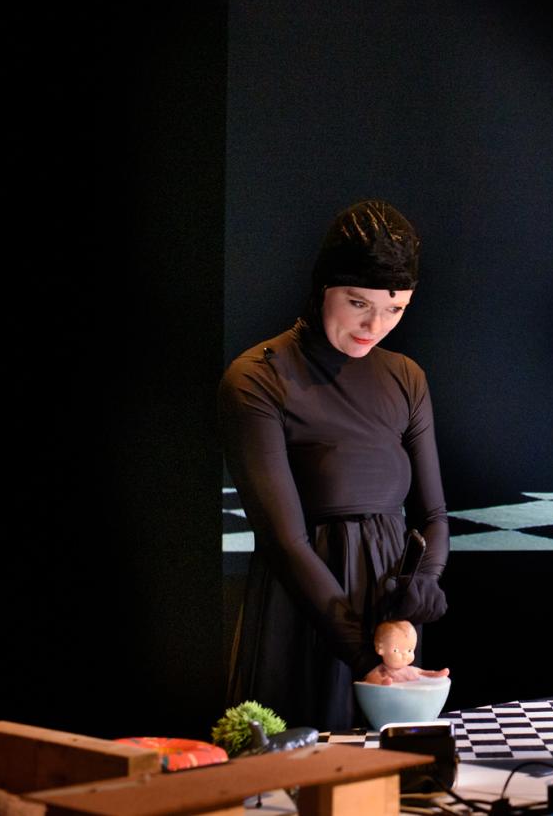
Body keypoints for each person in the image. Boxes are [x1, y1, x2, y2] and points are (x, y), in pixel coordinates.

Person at [220, 200, 449, 731]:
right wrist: (362, 656)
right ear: (323, 287)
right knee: (298, 767)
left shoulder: (406, 377)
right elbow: (284, 541)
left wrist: (406, 614)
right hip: (305, 611)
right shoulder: (257, 378)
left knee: (389, 774)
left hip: (389, 624)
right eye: (358, 303)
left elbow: (434, 516)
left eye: (395, 309)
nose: (375, 325)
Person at [368, 619, 449, 684]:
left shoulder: (411, 670)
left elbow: (424, 672)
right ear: (380, 649)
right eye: (396, 650)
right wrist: (382, 681)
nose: (405, 654)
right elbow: (371, 677)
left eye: (409, 650)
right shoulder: (382, 670)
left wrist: (435, 674)